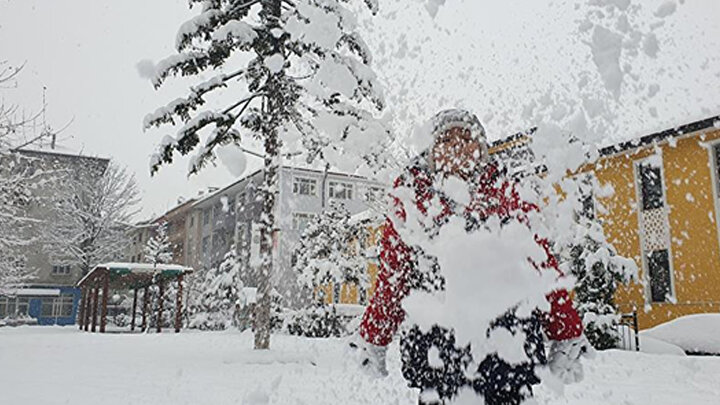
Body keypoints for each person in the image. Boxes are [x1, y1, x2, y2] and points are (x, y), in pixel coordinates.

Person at [351, 109, 593, 405]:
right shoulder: (412, 199)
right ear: (431, 150)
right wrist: (375, 336)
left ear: (481, 148)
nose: (456, 146)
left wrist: (565, 331)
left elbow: (540, 263)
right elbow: (393, 277)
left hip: (507, 351)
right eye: (446, 139)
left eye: (466, 137)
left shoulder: (507, 193)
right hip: (436, 354)